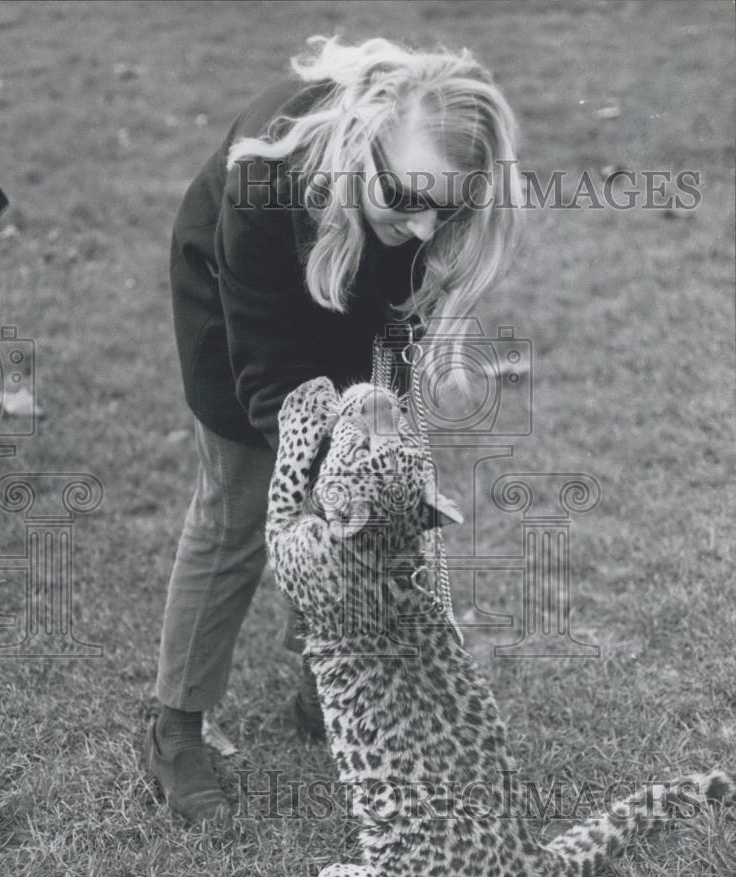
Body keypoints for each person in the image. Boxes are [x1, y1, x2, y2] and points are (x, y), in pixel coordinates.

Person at [148, 35, 523, 825]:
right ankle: (176, 725)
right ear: (364, 143)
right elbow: (266, 366)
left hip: (355, 298)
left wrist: (369, 456)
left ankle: (323, 675)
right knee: (238, 505)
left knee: (363, 504)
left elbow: (400, 316)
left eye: (448, 208)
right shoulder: (268, 178)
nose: (424, 228)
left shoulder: (423, 193)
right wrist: (323, 468)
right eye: (406, 197)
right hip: (237, 311)